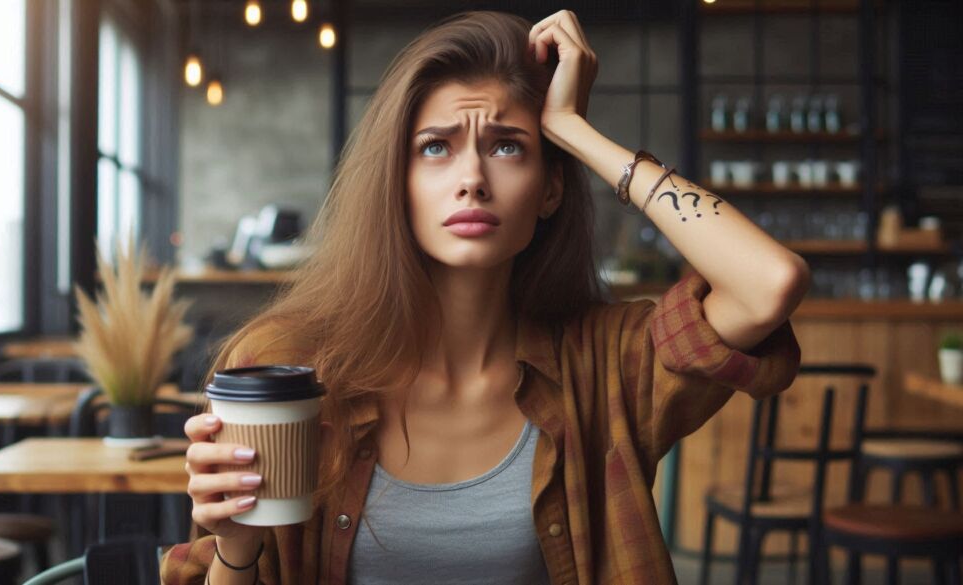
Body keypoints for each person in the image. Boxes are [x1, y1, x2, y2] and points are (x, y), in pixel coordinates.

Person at [161, 10, 806, 585]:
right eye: (436, 148)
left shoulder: (608, 366)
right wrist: (237, 552)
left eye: (507, 146)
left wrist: (574, 131)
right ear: (397, 182)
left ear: (550, 190)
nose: (472, 179)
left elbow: (768, 284)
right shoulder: (290, 370)